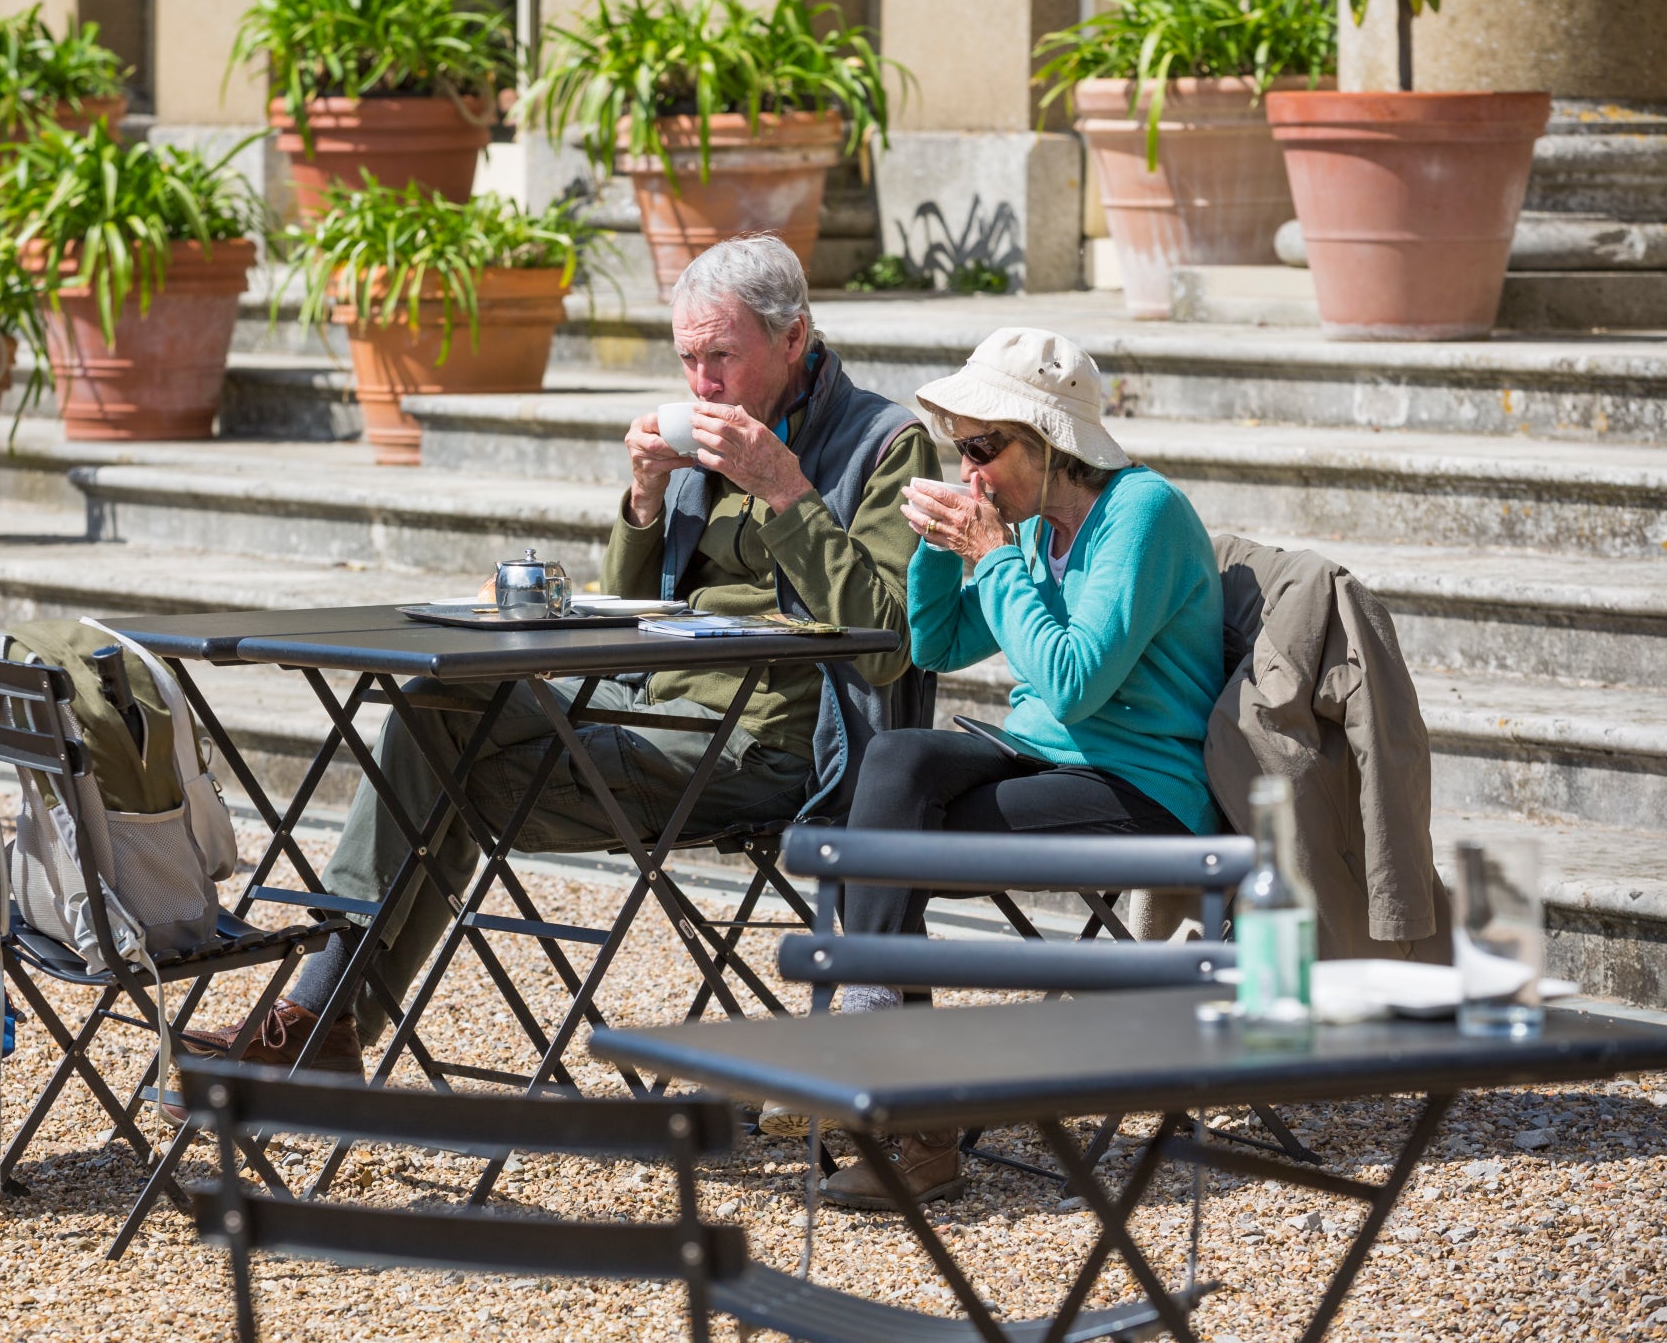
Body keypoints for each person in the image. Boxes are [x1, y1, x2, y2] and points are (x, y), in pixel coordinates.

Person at [188, 234, 938, 1071]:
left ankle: (316, 1019)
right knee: (427, 711)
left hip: (763, 742)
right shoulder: (710, 437)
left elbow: (888, 643)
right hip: (646, 703)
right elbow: (616, 622)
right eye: (688, 358)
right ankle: (318, 1020)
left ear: (793, 337)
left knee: (435, 775)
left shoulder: (884, 444)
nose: (701, 384)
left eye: (721, 356)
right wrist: (646, 499)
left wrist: (786, 490)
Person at [817, 325, 1226, 1211]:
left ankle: (902, 1109)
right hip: (1039, 757)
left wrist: (995, 556)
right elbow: (936, 641)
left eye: (982, 448)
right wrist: (937, 544)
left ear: (1046, 441)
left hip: (1137, 787)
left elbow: (1077, 683)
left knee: (877, 844)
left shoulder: (1142, 514)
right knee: (891, 767)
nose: (970, 470)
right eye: (959, 449)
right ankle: (891, 1071)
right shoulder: (1038, 524)